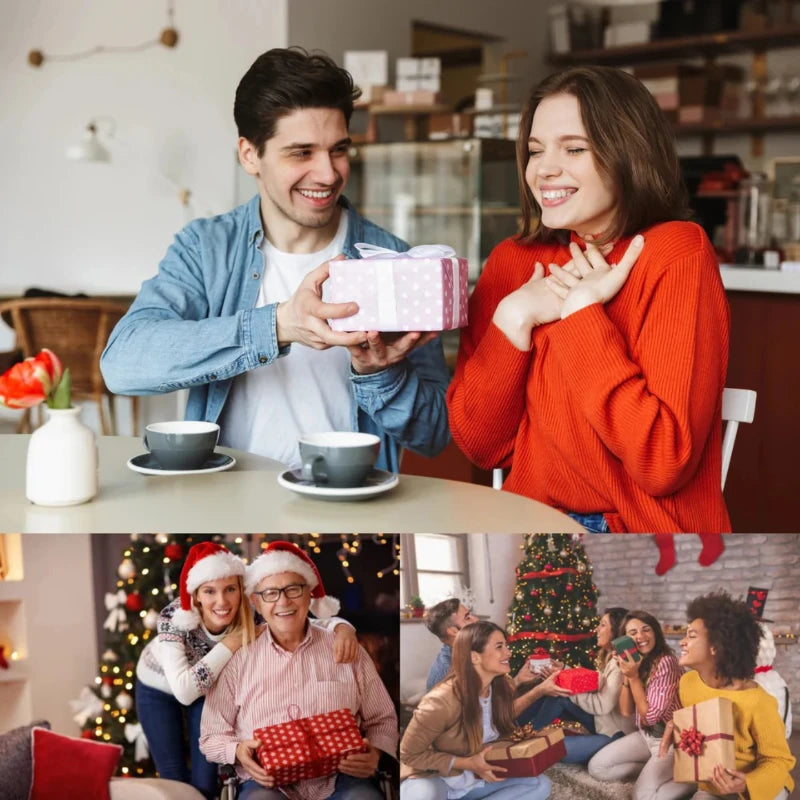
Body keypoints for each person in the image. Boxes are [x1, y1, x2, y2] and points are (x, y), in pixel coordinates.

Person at [101, 47, 449, 474]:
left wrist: (381, 375)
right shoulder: (205, 249)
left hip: (348, 514)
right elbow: (122, 366)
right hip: (226, 508)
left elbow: (437, 435)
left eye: (339, 150)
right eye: (301, 153)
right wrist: (278, 326)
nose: (328, 173)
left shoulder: (396, 261)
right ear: (250, 155)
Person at [446, 65, 730, 565]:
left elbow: (663, 461)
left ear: (628, 152)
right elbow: (481, 446)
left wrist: (580, 316)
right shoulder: (514, 261)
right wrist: (512, 320)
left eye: (573, 149)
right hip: (529, 522)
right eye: (535, 151)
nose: (544, 170)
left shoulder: (676, 253)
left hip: (638, 537)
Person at [135, 541, 358, 799]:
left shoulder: (252, 611)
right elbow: (184, 690)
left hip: (207, 689)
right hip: (158, 687)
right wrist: (230, 644)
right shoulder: (174, 617)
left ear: (241, 589)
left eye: (230, 589)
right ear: (195, 594)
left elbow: (305, 620)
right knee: (174, 780)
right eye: (209, 591)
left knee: (206, 783)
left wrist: (343, 627)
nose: (222, 601)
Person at [199, 540, 397, 800]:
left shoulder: (346, 648)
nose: (283, 601)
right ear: (257, 603)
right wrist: (238, 751)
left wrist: (376, 754)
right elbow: (211, 736)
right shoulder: (237, 658)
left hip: (343, 777)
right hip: (265, 783)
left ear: (308, 594)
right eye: (270, 593)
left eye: (293, 589)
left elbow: (383, 718)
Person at [655, 591, 795, 800]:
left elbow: (779, 760)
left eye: (692, 636)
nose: (682, 642)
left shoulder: (758, 701)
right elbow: (697, 726)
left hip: (756, 785)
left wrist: (747, 783)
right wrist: (674, 726)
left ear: (715, 647)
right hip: (711, 779)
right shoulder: (688, 683)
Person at [400, 621, 552, 800]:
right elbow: (408, 755)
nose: (508, 652)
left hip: (473, 779)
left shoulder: (499, 686)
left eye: (506, 646)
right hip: (437, 779)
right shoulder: (439, 702)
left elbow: (502, 712)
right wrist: (467, 763)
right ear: (474, 657)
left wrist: (519, 681)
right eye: (499, 646)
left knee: (540, 784)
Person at [587, 610, 681, 798]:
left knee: (642, 796)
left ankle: (690, 780)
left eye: (646, 629)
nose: (640, 636)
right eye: (633, 633)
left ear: (655, 632)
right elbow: (626, 710)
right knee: (597, 767)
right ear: (625, 639)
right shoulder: (636, 663)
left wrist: (634, 676)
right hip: (646, 736)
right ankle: (654, 770)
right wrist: (627, 675)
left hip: (669, 741)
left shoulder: (667, 662)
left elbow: (651, 715)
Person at [528, 607, 636, 763]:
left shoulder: (620, 662)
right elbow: (598, 681)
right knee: (557, 695)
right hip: (602, 721)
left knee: (552, 750)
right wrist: (564, 669)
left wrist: (566, 685)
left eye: (603, 625)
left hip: (615, 733)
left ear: (616, 631)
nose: (597, 629)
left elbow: (602, 706)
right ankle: (524, 732)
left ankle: (526, 735)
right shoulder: (610, 657)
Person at [425, 598, 479, 690]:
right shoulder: (445, 675)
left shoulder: (476, 648)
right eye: (467, 618)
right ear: (453, 631)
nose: (477, 619)